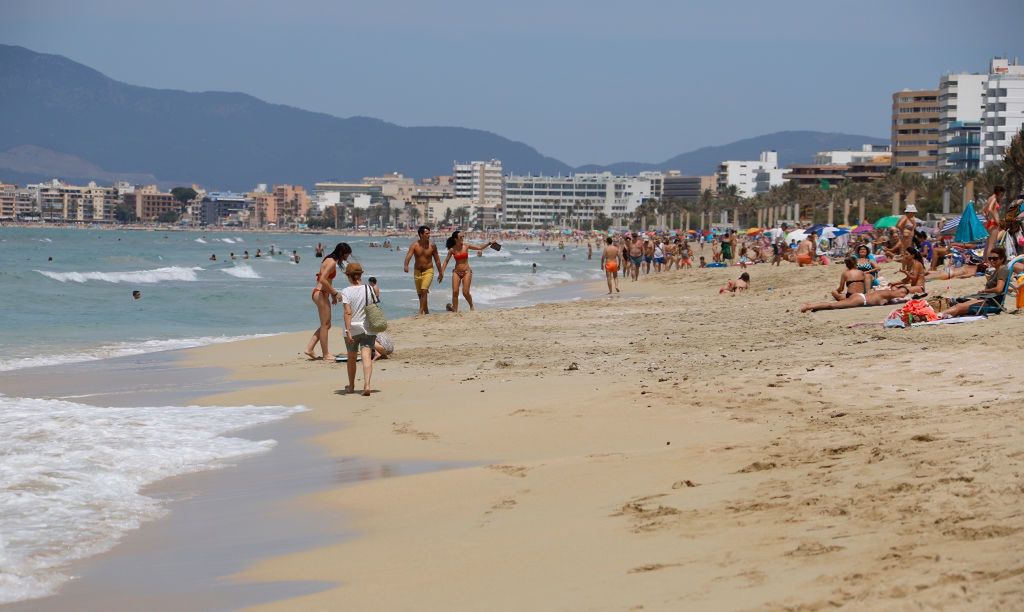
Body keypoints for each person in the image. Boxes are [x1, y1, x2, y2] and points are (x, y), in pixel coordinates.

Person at [304, 242, 351, 360]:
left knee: (327, 324)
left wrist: (332, 295)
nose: (346, 258)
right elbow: (323, 279)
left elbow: (326, 281)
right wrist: (335, 293)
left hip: (322, 293)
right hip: (320, 293)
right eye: (346, 255)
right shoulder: (331, 262)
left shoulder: (329, 259)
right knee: (325, 325)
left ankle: (309, 348)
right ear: (341, 253)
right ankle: (326, 354)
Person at [939, 247, 1011, 318]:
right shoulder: (997, 270)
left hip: (991, 303)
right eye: (990, 258)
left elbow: (999, 289)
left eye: (995, 258)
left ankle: (936, 316)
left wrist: (985, 290)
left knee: (959, 306)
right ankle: (937, 315)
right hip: (987, 299)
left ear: (1002, 259)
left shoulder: (1002, 270)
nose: (992, 260)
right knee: (958, 304)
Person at [340, 262, 376, 396]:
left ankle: (351, 386)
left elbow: (348, 312)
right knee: (366, 356)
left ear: (348, 276)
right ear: (361, 274)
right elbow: (372, 308)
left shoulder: (346, 292)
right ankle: (367, 385)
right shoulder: (369, 289)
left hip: (352, 328)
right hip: (367, 327)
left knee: (351, 357)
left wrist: (348, 331)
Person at [440, 230, 493, 312]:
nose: (462, 238)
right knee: (455, 291)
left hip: (467, 272)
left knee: (465, 292)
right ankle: (455, 310)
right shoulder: (452, 250)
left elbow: (479, 248)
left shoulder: (466, 246)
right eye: (461, 237)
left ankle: (471, 306)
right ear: (455, 239)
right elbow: (446, 261)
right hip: (456, 272)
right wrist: (441, 272)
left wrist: (489, 243)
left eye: (463, 237)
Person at [403, 226, 443, 315]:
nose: (429, 235)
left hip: (428, 270)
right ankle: (426, 311)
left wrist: (440, 272)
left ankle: (420, 312)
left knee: (424, 290)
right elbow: (408, 256)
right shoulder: (414, 245)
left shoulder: (432, 245)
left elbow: (437, 260)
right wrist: (406, 265)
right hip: (417, 271)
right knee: (420, 293)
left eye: (429, 233)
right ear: (421, 234)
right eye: (427, 233)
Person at [801, 286, 910, 313]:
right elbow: (899, 298)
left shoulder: (889, 296)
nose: (903, 295)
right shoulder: (889, 293)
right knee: (832, 306)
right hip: (860, 300)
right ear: (896, 289)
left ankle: (813, 306)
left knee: (836, 303)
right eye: (902, 292)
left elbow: (897, 300)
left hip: (860, 298)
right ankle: (808, 306)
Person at [982, 186, 1005, 258]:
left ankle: (985, 262)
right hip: (994, 223)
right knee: (991, 246)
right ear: (1000, 192)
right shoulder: (994, 199)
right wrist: (996, 220)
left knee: (987, 245)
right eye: (1002, 194)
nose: (1002, 196)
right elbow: (989, 209)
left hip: (989, 223)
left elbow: (983, 211)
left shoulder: (990, 198)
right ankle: (989, 263)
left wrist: (987, 218)